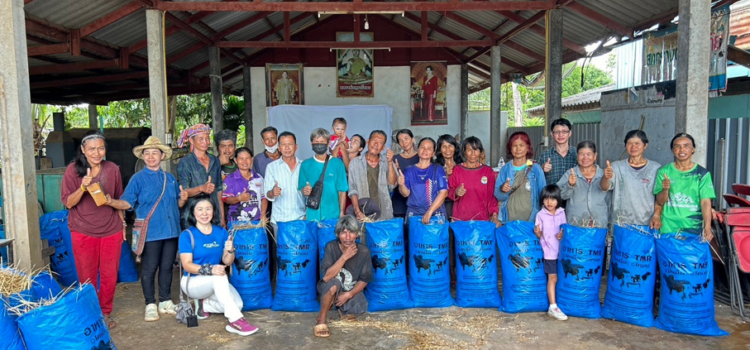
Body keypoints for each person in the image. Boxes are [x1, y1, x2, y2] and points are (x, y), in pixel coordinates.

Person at [106, 136, 187, 322]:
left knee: (167, 267)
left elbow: (178, 204)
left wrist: (183, 197)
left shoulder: (170, 178)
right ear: (142, 157)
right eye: (147, 154)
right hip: (151, 231)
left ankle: (165, 301)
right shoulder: (138, 179)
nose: (151, 157)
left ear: (161, 156)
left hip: (172, 230)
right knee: (150, 268)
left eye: (154, 153)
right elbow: (127, 202)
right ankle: (150, 304)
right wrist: (111, 202)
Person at [61, 130, 124, 329]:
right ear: (83, 150)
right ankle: (90, 313)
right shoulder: (73, 170)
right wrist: (83, 186)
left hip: (111, 230)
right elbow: (69, 203)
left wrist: (122, 226)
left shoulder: (112, 169)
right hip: (82, 231)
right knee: (86, 276)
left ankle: (105, 313)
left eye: (101, 148)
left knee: (109, 275)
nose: (97, 153)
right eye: (91, 149)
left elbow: (119, 200)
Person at [178, 194, 258, 336]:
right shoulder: (187, 235)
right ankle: (236, 321)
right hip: (193, 282)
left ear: (213, 211)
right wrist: (211, 269)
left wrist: (230, 249)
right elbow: (187, 265)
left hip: (214, 281)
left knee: (238, 305)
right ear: (193, 212)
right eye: (200, 209)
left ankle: (204, 305)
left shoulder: (221, 232)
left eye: (208, 209)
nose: (204, 213)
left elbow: (227, 261)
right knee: (219, 277)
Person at [314, 215, 373, 338]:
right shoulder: (331, 247)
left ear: (357, 234)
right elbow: (326, 277)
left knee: (360, 305)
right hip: (330, 285)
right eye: (343, 233)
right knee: (333, 285)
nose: (347, 237)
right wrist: (344, 257)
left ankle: (335, 304)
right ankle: (321, 319)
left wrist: (349, 294)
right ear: (337, 234)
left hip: (350, 289)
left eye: (351, 233)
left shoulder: (364, 251)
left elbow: (364, 279)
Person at [654, 133, 715, 241]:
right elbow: (659, 201)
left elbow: (705, 202)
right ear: (672, 150)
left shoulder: (702, 174)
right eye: (677, 146)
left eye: (686, 146)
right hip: (668, 227)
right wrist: (665, 189)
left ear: (693, 149)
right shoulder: (664, 172)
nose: (681, 150)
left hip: (693, 229)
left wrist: (707, 227)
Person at [600, 130, 662, 228]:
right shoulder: (616, 167)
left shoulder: (655, 168)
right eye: (629, 143)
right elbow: (604, 188)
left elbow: (659, 198)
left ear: (645, 145)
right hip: (620, 223)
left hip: (646, 224)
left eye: (637, 143)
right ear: (625, 146)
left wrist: (657, 216)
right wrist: (606, 177)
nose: (633, 147)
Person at [177, 124, 225, 229]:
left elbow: (219, 191)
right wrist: (201, 188)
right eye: (201, 139)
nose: (205, 142)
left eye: (207, 138)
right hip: (192, 217)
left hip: (213, 215)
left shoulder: (215, 160)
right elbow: (184, 191)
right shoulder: (185, 162)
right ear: (191, 140)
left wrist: (222, 218)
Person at [495, 132, 546, 223]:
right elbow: (498, 196)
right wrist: (502, 190)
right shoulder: (505, 169)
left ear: (527, 148)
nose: (518, 149)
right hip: (508, 220)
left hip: (531, 221)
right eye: (514, 146)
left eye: (521, 145)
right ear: (510, 149)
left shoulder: (536, 169)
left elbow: (543, 195)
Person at [533, 184, 568, 321]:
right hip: (549, 253)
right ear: (542, 200)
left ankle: (559, 303)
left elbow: (563, 229)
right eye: (546, 199)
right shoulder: (540, 215)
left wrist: (561, 234)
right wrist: (537, 232)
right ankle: (552, 306)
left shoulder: (562, 212)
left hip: (562, 253)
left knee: (560, 278)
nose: (549, 202)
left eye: (552, 199)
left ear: (558, 200)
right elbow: (538, 232)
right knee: (552, 278)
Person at [299, 128, 349, 221]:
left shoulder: (337, 164)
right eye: (316, 142)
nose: (319, 144)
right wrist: (305, 190)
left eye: (322, 142)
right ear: (311, 143)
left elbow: (342, 191)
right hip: (312, 215)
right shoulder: (306, 164)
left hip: (332, 215)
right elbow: (301, 187)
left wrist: (341, 213)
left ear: (329, 143)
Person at [449, 137, 500, 226]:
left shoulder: (487, 171)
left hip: (482, 219)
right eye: (469, 150)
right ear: (464, 152)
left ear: (480, 152)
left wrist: (494, 216)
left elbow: (492, 196)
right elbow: (449, 190)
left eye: (476, 150)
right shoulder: (457, 170)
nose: (473, 154)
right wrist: (456, 192)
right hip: (460, 219)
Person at [347, 130, 397, 221]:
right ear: (368, 141)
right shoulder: (355, 163)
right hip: (363, 213)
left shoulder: (387, 161)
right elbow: (352, 190)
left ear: (383, 147)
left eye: (380, 142)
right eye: (374, 140)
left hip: (384, 212)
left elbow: (392, 184)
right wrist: (357, 211)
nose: (376, 144)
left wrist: (390, 163)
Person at [556, 141, 609, 227]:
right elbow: (560, 196)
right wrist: (570, 185)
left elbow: (609, 201)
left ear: (595, 156)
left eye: (589, 154)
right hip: (576, 224)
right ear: (577, 156)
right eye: (581, 154)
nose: (585, 157)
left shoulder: (604, 175)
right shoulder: (569, 174)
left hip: (600, 224)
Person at [397, 137, 448, 224]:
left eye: (429, 148)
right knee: (415, 237)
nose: (425, 150)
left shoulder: (438, 169)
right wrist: (401, 184)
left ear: (433, 153)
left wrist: (429, 212)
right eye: (422, 147)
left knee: (435, 237)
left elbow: (444, 193)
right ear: (418, 149)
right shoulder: (409, 170)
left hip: (436, 214)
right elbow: (405, 194)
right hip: (414, 214)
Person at [263, 131, 305, 224]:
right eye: (283, 144)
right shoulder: (272, 167)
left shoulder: (304, 166)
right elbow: (267, 193)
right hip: (279, 220)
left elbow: (310, 193)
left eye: (290, 144)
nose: (287, 148)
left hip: (301, 218)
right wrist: (272, 192)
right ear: (279, 148)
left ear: (296, 147)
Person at [222, 147, 268, 223]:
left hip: (257, 221)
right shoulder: (230, 179)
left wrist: (263, 214)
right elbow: (226, 200)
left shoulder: (258, 178)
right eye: (241, 159)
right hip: (237, 223)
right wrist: (239, 198)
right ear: (236, 160)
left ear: (252, 160)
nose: (245, 161)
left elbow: (263, 198)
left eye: (247, 158)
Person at [537, 119, 578, 186]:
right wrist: (542, 169)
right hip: (551, 196)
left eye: (564, 132)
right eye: (557, 132)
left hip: (574, 195)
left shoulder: (578, 154)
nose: (560, 135)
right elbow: (535, 178)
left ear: (570, 133)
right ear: (552, 134)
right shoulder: (544, 155)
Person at [392, 129, 419, 219]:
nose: (404, 142)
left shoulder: (422, 157)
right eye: (400, 140)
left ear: (413, 139)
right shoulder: (395, 159)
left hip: (418, 203)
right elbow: (391, 182)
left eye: (406, 138)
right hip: (399, 204)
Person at [436, 134, 464, 220]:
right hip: (443, 202)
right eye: (444, 147)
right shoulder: (436, 166)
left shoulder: (462, 164)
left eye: (450, 146)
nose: (447, 150)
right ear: (440, 150)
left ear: (455, 148)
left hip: (461, 201)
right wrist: (445, 175)